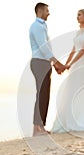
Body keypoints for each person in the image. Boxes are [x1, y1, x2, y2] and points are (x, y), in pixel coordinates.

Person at [29, 2, 68, 136]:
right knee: (41, 95)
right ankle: (36, 129)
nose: (48, 13)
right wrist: (57, 63)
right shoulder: (36, 26)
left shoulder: (42, 26)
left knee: (44, 95)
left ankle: (40, 127)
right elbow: (43, 48)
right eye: (47, 10)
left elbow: (47, 48)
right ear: (40, 11)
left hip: (44, 63)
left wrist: (53, 64)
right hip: (39, 62)